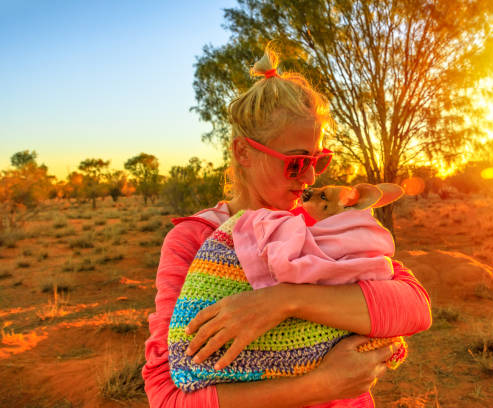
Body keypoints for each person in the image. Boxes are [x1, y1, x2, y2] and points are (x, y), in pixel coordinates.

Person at [142, 46, 432, 408]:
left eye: (319, 160)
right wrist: (323, 384)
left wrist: (285, 301)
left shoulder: (319, 222)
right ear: (243, 153)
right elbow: (168, 397)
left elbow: (414, 306)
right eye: (295, 163)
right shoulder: (196, 238)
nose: (310, 178)